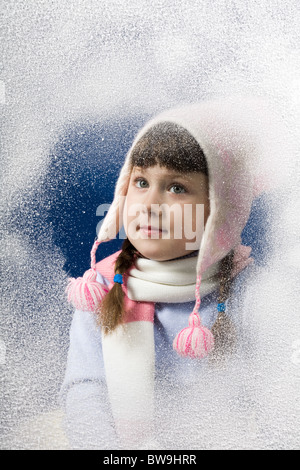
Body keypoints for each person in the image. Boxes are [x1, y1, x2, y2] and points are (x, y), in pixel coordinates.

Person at [60, 99, 266, 450]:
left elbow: (271, 398)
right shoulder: (101, 288)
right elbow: (86, 392)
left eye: (176, 188)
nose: (150, 203)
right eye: (141, 182)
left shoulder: (249, 291)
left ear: (220, 209)